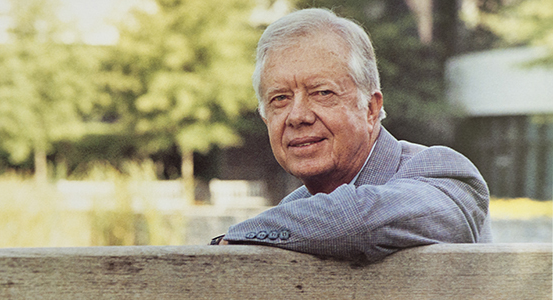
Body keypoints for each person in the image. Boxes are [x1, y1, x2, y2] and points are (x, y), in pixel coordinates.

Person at [210, 8, 491, 265]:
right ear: (265, 118)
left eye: (322, 93)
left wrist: (236, 237)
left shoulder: (444, 175)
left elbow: (359, 220)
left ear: (370, 109)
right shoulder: (294, 212)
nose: (297, 116)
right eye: (280, 99)